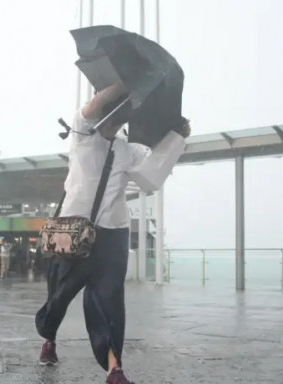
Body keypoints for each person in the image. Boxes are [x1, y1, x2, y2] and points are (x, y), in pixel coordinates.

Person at [35, 84, 190, 384]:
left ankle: (113, 369)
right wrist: (124, 83)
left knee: (109, 302)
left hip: (112, 235)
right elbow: (92, 106)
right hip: (73, 232)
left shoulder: (127, 149)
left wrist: (177, 138)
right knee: (59, 296)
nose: (115, 121)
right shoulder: (82, 134)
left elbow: (150, 178)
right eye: (113, 112)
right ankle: (49, 337)